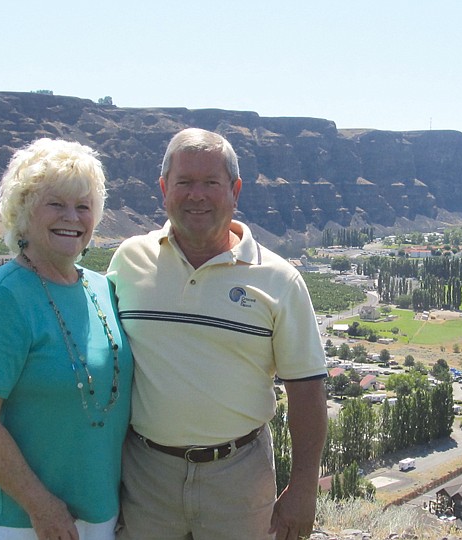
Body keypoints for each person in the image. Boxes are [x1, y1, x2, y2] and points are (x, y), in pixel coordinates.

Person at [107, 127, 328, 540]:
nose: (197, 195)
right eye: (184, 182)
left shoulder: (280, 280)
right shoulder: (128, 261)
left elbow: (308, 391)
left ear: (235, 189)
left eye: (211, 182)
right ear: (163, 188)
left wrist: (304, 489)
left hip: (239, 477)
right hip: (144, 474)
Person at [0, 138, 133, 540]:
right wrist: (41, 505)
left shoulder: (102, 288)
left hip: (101, 507)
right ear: (22, 212)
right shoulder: (1, 298)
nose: (71, 217)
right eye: (55, 203)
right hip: (26, 518)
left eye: (83, 206)